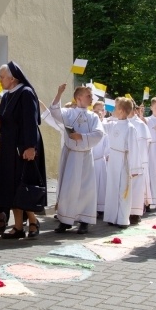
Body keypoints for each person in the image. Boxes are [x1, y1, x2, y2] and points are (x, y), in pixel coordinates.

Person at [0, 62, 46, 239]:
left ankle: (33, 221)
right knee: (12, 187)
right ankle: (18, 227)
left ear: (13, 78)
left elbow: (30, 122)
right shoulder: (6, 97)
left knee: (24, 185)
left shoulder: (26, 93)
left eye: (2, 77)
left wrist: (30, 147)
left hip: (23, 148)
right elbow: (6, 123)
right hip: (8, 149)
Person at [50, 84, 105, 234]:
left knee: (85, 189)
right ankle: (65, 220)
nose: (91, 98)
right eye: (88, 95)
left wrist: (82, 136)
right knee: (68, 188)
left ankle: (84, 221)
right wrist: (59, 93)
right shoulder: (69, 113)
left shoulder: (93, 116)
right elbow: (54, 112)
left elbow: (99, 134)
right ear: (78, 97)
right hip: (71, 156)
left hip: (86, 156)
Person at [102, 98, 142, 227]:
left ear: (121, 110)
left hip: (124, 161)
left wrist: (135, 169)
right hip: (113, 159)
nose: (112, 110)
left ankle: (122, 219)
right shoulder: (112, 124)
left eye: (115, 107)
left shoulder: (130, 128)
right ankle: (111, 216)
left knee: (123, 189)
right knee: (112, 187)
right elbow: (100, 126)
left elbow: (135, 149)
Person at [129, 102, 152, 222]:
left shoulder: (139, 125)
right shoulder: (121, 122)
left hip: (138, 161)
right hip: (126, 160)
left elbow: (143, 146)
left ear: (133, 110)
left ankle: (135, 212)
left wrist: (139, 162)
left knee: (137, 187)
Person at [92, 101, 109, 217]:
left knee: (102, 185)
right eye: (96, 110)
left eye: (101, 110)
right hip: (90, 160)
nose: (99, 113)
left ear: (105, 112)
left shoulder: (108, 125)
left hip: (101, 160)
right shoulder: (90, 124)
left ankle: (101, 208)